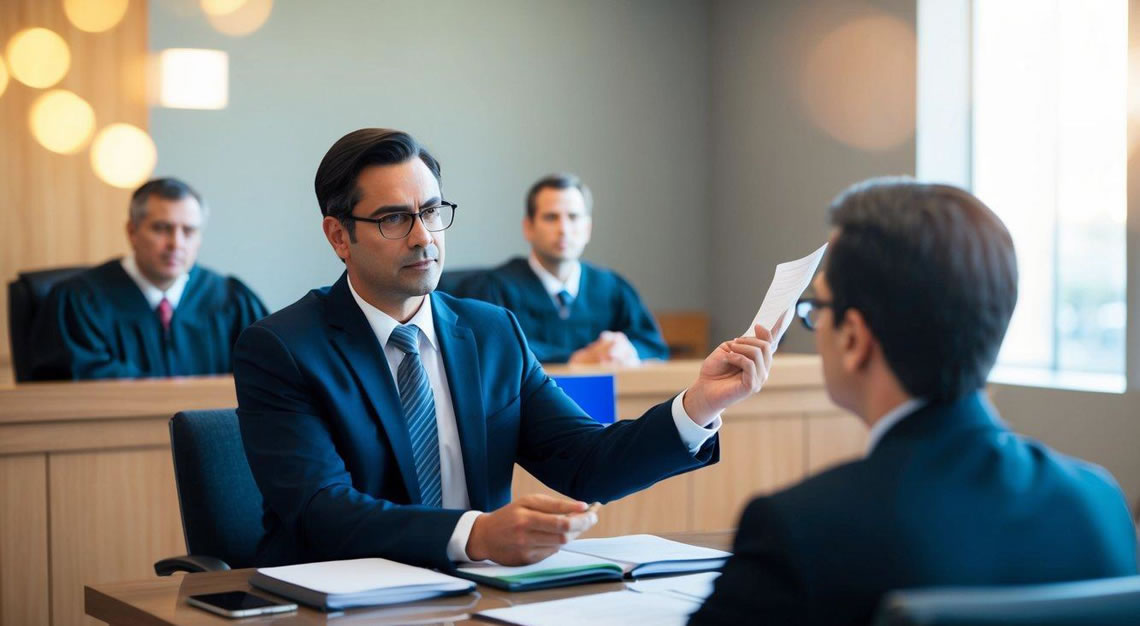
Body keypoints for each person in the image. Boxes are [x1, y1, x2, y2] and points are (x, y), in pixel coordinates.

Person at [233, 129, 780, 569]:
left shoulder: (492, 332)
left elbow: (585, 463)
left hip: (479, 596)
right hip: (340, 601)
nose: (424, 236)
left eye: (431, 211)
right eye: (394, 219)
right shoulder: (282, 348)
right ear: (338, 236)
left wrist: (700, 405)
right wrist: (475, 534)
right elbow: (319, 511)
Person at [689, 179, 1138, 625]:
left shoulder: (798, 531)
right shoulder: (1100, 503)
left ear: (854, 338)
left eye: (817, 308)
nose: (817, 324)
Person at [30, 178, 268, 380]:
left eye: (189, 231)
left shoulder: (231, 301)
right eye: (162, 228)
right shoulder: (80, 301)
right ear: (132, 232)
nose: (176, 244)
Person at [461, 173, 668, 365]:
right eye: (551, 217)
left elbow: (653, 345)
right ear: (529, 227)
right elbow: (491, 350)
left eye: (574, 217)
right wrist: (575, 359)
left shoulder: (611, 288)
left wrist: (625, 350)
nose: (564, 229)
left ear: (587, 228)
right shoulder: (495, 288)